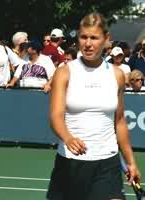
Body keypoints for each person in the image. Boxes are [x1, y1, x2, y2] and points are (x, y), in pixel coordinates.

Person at [47, 12, 141, 200]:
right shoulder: (64, 73)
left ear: (106, 39)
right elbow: (56, 117)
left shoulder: (117, 75)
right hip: (70, 164)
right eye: (83, 37)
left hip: (107, 164)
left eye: (94, 38)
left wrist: (131, 161)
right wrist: (68, 138)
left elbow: (120, 121)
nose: (88, 43)